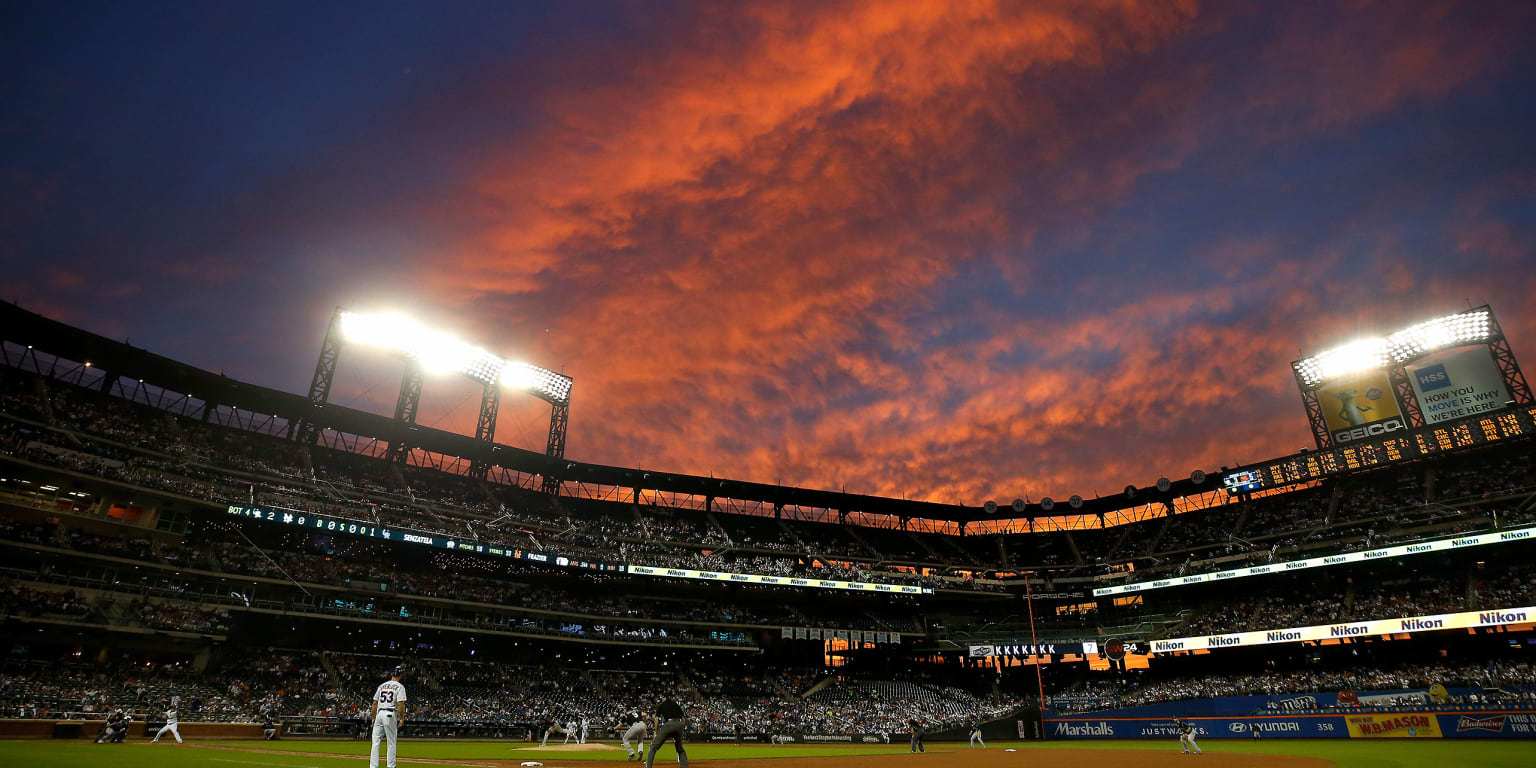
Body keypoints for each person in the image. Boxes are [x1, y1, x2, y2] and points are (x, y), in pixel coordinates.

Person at [370, 666, 408, 768]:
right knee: (391, 743)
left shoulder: (382, 686)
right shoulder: (400, 687)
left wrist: (373, 718)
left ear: (392, 674)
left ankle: (373, 766)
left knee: (375, 742)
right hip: (390, 714)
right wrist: (401, 718)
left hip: (379, 714)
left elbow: (374, 704)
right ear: (401, 675)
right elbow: (400, 704)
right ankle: (391, 766)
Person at [644, 696, 688, 768]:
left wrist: (656, 731)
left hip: (669, 724)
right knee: (680, 749)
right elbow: (683, 719)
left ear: (664, 699)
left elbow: (657, 719)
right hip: (679, 724)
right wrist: (681, 730)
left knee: (653, 747)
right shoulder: (676, 705)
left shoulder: (661, 705)